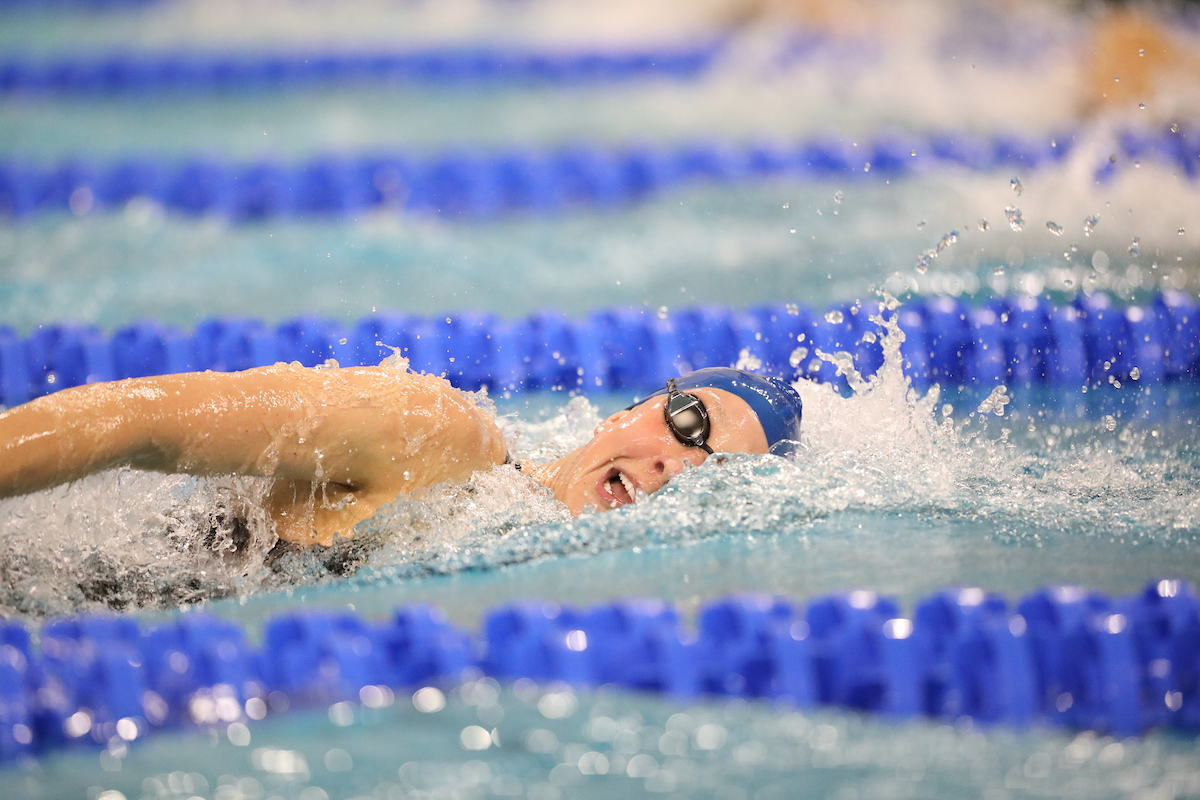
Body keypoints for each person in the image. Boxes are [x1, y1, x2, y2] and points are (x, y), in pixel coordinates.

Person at [0, 361, 802, 547]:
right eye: (691, 427)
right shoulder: (440, 437)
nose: (677, 464)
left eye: (717, 472)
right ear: (627, 411)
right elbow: (138, 419)